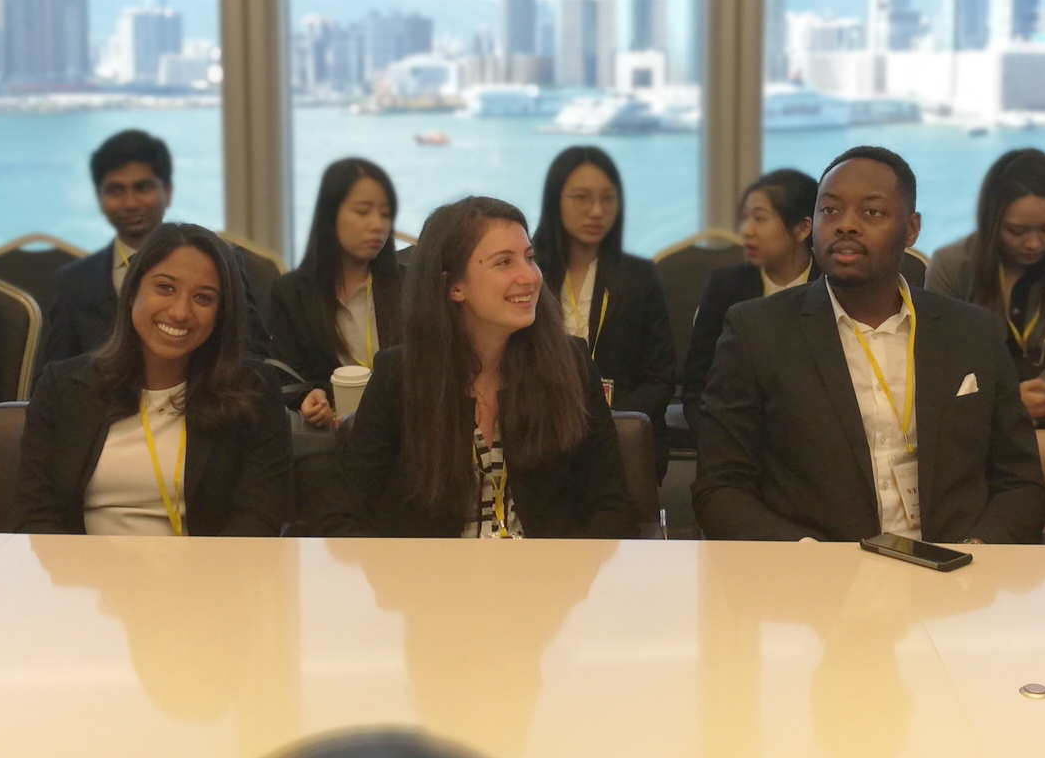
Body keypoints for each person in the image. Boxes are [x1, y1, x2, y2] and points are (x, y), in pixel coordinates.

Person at [692, 146, 1045, 543]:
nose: (846, 225)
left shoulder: (972, 332)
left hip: (953, 575)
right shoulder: (757, 332)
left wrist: (976, 552)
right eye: (830, 211)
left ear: (911, 229)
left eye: (871, 212)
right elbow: (720, 490)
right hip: (817, 578)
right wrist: (804, 558)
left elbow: (1021, 484)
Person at [321, 197, 637, 538]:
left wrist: (571, 580)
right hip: (431, 583)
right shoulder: (399, 377)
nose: (530, 277)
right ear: (454, 286)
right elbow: (343, 515)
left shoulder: (571, 366)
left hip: (548, 580)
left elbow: (611, 505)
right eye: (504, 262)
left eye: (529, 258)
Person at [15, 223, 291, 536]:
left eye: (203, 298)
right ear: (132, 292)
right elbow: (35, 516)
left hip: (207, 579)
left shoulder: (253, 391)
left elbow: (258, 517)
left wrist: (201, 583)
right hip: (85, 579)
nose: (180, 312)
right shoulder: (62, 386)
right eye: (165, 288)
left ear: (221, 313)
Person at [924, 148, 1045, 543]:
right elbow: (937, 371)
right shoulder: (952, 265)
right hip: (975, 427)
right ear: (992, 222)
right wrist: (1008, 403)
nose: (1034, 242)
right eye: (1017, 230)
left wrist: (1039, 398)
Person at [39, 129, 269, 371]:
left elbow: (254, 360)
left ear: (167, 192)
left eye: (143, 188)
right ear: (100, 198)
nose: (130, 203)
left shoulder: (220, 262)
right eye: (116, 190)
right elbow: (54, 378)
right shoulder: (76, 281)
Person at [531, 146, 676, 437]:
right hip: (540, 426)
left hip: (619, 429)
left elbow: (660, 378)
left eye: (607, 198)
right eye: (582, 197)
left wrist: (610, 419)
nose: (597, 211)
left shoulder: (639, 276)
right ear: (554, 200)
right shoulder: (529, 274)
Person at [269, 158, 404, 428]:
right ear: (330, 215)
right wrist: (310, 397)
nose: (378, 224)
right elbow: (288, 377)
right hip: (334, 433)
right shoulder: (291, 293)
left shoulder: (411, 285)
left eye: (386, 213)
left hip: (403, 429)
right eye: (363, 211)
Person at [681, 169, 819, 430]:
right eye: (745, 219)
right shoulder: (725, 286)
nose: (747, 231)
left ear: (803, 228)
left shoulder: (832, 285)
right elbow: (697, 386)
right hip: (737, 433)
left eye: (760, 219)